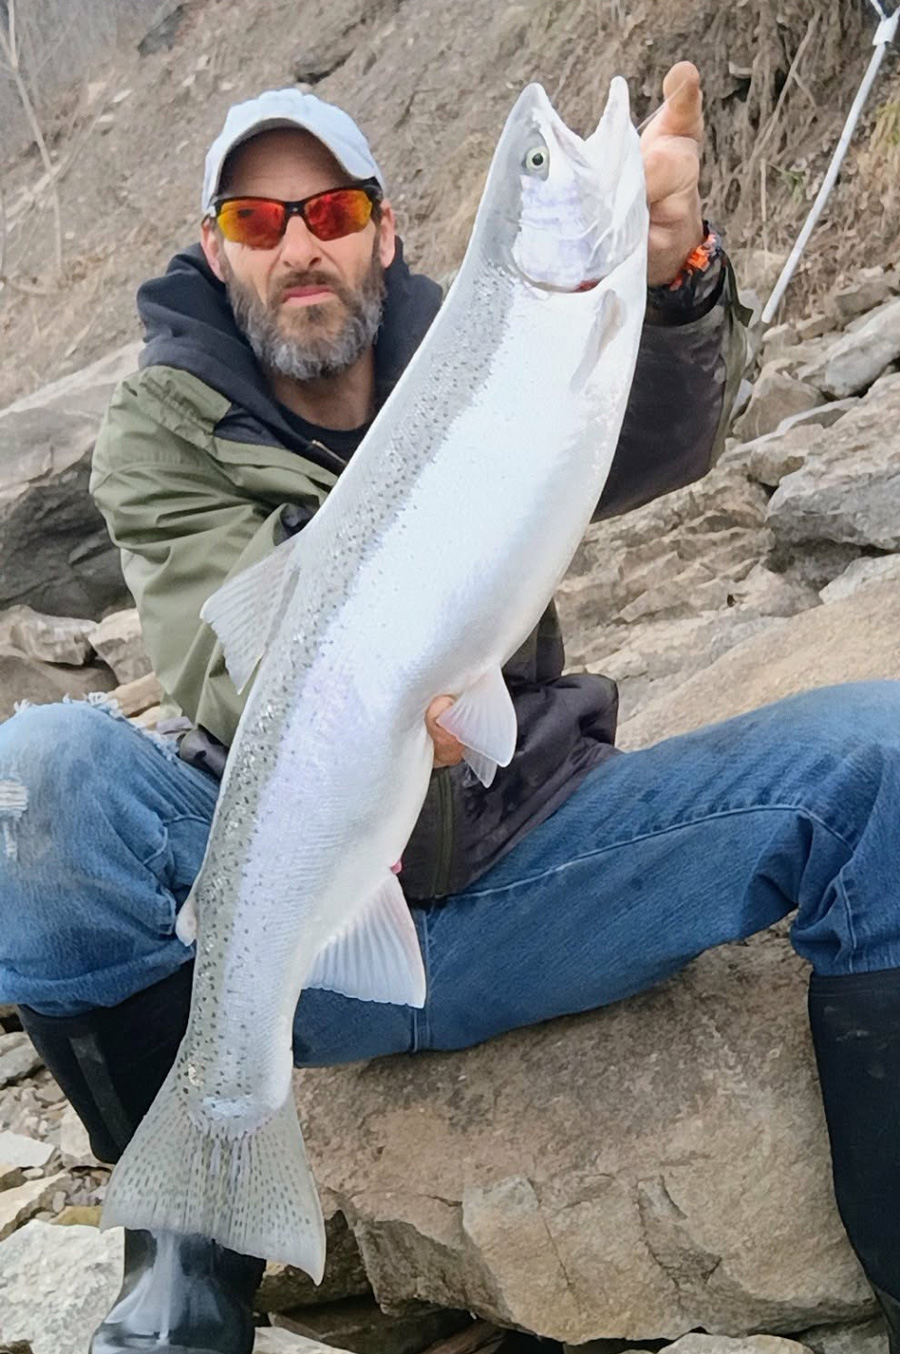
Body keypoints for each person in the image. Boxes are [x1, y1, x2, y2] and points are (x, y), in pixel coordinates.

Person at [1, 62, 899, 1354]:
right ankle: (188, 1264)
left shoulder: (494, 345)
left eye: (331, 210)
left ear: (387, 226)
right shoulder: (158, 425)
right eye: (259, 222)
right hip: (293, 932)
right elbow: (215, 650)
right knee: (40, 765)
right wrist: (365, 713)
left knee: (882, 757)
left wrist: (671, 273)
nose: (299, 243)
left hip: (545, 865)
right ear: (216, 252)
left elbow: (654, 444)